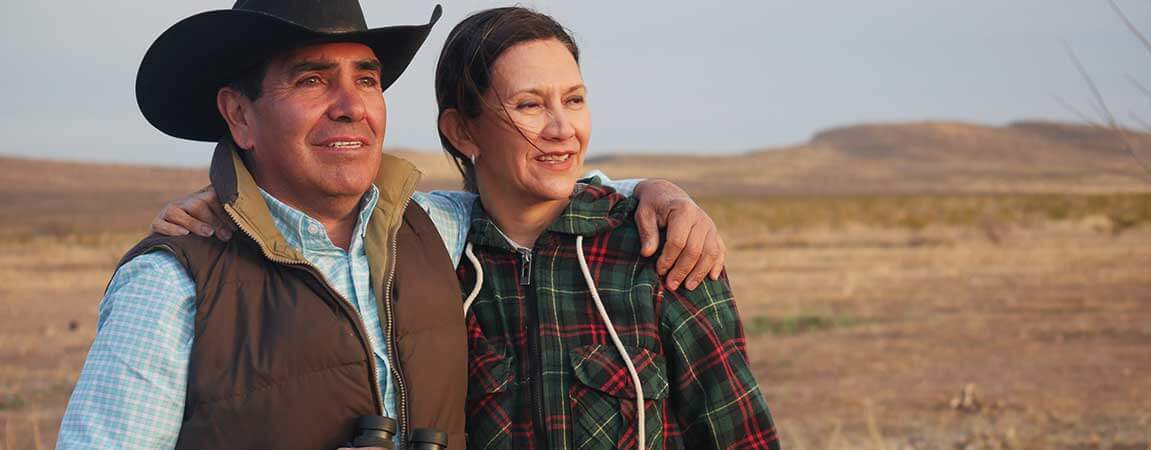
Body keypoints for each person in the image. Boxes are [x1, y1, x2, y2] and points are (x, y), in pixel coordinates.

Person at [60, 1, 724, 449]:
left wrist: (655, 193)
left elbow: (540, 186)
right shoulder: (171, 286)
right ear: (239, 115)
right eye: (313, 80)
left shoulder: (436, 227)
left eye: (367, 79)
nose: (351, 106)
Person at [435, 8, 779, 449]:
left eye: (574, 100)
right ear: (462, 131)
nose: (563, 129)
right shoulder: (433, 269)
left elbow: (740, 438)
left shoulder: (659, 250)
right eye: (530, 105)